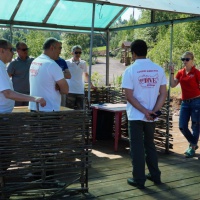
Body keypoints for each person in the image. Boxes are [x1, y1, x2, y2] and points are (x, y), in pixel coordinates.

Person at [0, 39, 46, 189]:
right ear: (2, 50)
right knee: (5, 153)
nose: (12, 52)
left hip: (4, 114)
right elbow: (7, 93)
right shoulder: (1, 67)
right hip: (2, 117)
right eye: (11, 49)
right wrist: (34, 98)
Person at [122, 39, 167, 189]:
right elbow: (163, 94)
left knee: (137, 147)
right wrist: (153, 111)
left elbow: (129, 96)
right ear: (146, 51)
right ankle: (155, 176)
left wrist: (144, 111)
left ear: (133, 53)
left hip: (136, 116)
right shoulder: (158, 69)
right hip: (152, 116)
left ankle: (139, 179)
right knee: (150, 145)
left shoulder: (130, 70)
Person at [170, 51, 200, 158]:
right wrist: (172, 73)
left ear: (192, 60)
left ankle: (191, 148)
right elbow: (172, 85)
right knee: (182, 126)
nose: (185, 61)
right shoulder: (180, 72)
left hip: (196, 101)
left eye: (187, 59)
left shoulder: (196, 72)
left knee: (195, 125)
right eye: (183, 59)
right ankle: (194, 143)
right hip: (185, 103)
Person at [29, 37, 69, 111]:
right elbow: (65, 90)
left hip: (34, 107)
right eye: (59, 48)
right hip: (49, 109)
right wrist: (59, 86)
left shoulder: (35, 61)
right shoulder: (52, 64)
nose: (60, 52)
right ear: (52, 48)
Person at [65, 45, 95, 110]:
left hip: (80, 90)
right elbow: (62, 75)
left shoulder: (83, 63)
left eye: (80, 52)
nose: (78, 54)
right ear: (72, 53)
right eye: (76, 52)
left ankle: (80, 120)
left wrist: (91, 84)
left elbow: (86, 74)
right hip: (70, 90)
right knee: (68, 111)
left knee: (81, 111)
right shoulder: (67, 63)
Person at [7, 42, 34, 106]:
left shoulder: (32, 61)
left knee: (28, 114)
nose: (26, 51)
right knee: (17, 114)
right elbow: (7, 77)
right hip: (17, 95)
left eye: (27, 49)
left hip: (30, 94)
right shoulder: (13, 63)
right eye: (23, 49)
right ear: (18, 50)